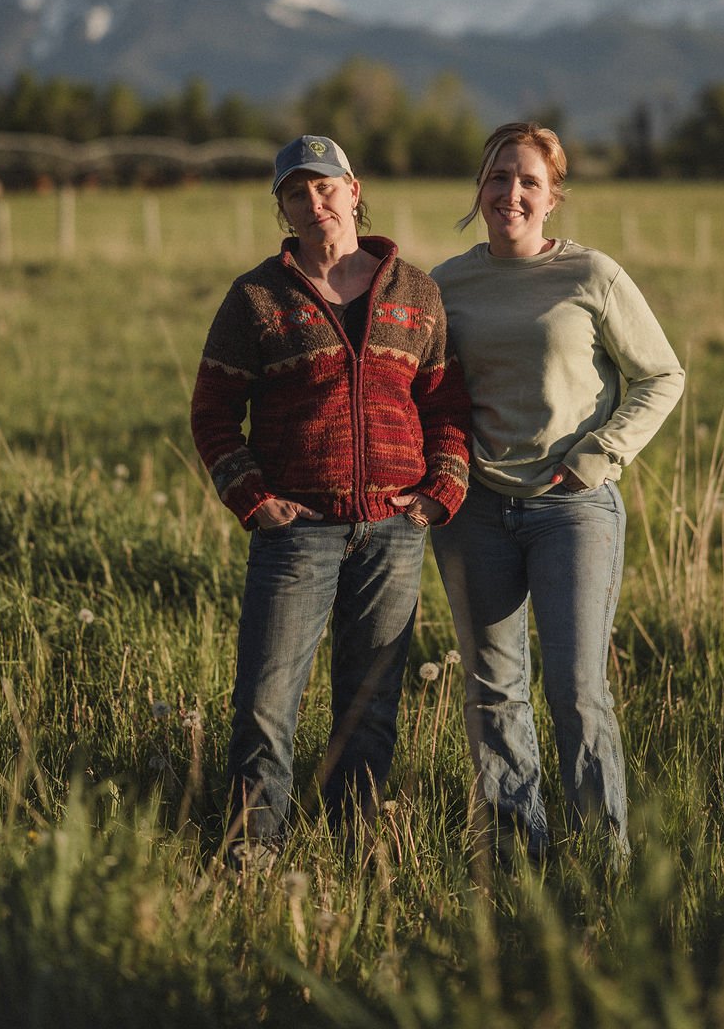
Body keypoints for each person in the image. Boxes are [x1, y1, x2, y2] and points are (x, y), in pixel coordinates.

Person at [191, 134, 470, 866]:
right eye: (296, 191)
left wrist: (440, 489)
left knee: (370, 701)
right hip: (296, 529)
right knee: (266, 698)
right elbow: (213, 411)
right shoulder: (256, 297)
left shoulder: (415, 291)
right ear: (282, 207)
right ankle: (255, 849)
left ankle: (356, 843)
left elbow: (445, 403)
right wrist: (255, 499)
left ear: (354, 190)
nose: (314, 201)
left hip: (394, 527)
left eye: (325, 186)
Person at [430, 121, 684, 861]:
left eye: (528, 181)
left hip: (572, 509)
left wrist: (600, 454)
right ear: (479, 188)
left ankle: (602, 856)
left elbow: (662, 374)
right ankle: (517, 851)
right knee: (493, 690)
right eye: (497, 177)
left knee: (576, 690)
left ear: (553, 197)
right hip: (476, 510)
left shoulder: (592, 275)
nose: (510, 192)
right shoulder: (445, 285)